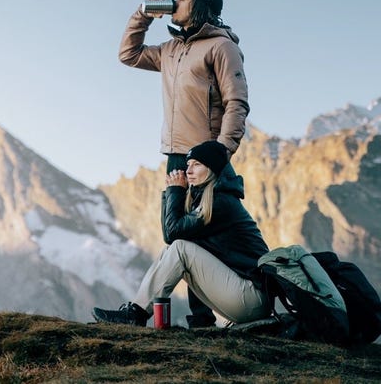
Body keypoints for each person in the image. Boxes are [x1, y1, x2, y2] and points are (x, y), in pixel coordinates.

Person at [118, 0, 250, 327]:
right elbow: (128, 55)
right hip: (175, 152)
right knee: (185, 230)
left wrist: (221, 151)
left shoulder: (221, 47)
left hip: (207, 154)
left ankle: (210, 315)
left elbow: (237, 102)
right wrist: (142, 15)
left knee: (205, 228)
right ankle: (199, 319)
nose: (176, 0)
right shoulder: (171, 50)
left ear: (202, 6)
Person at [92, 140, 270, 327]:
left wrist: (174, 191)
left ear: (212, 168)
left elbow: (173, 233)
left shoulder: (222, 202)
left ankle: (136, 315)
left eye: (197, 164)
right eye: (188, 165)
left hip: (253, 298)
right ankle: (137, 311)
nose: (189, 171)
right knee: (172, 249)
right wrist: (172, 193)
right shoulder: (207, 199)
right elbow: (171, 234)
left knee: (180, 249)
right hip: (242, 296)